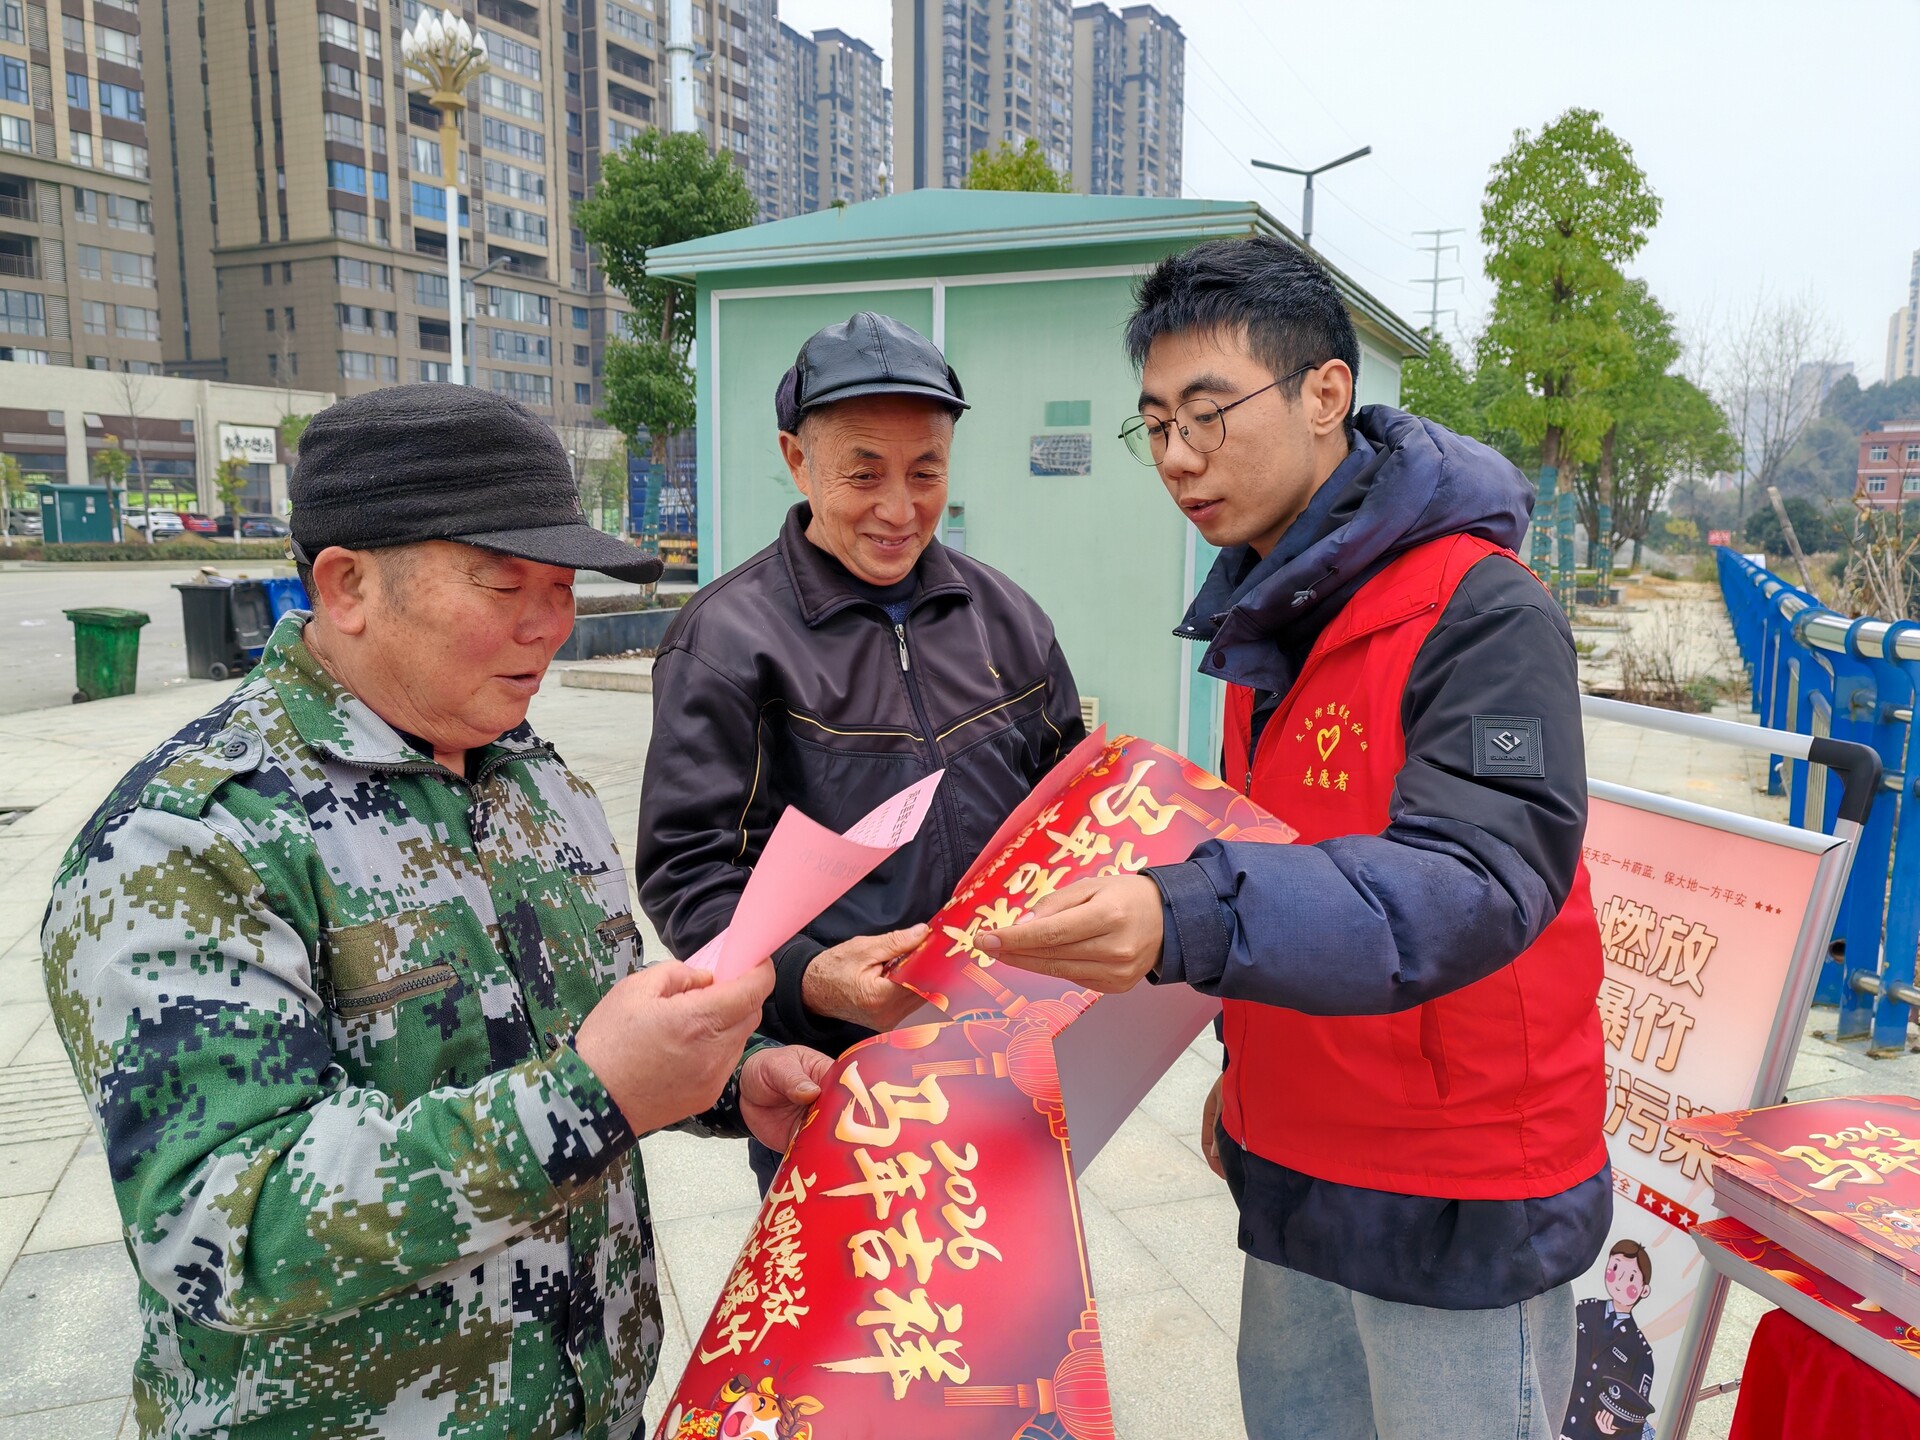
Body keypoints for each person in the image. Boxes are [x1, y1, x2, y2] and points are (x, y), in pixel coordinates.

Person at [40, 385, 830, 1440]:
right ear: (348, 585)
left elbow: (590, 1023)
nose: (549, 627)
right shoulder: (192, 839)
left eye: (564, 588)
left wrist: (732, 1077)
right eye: (504, 584)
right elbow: (223, 1227)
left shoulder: (531, 778)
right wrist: (588, 1097)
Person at [977, 236, 1609, 1440]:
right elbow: (1288, 850)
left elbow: (1478, 876)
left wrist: (1186, 913)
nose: (1177, 456)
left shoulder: (1484, 611)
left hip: (1455, 1184)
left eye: (1208, 414)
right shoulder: (1272, 612)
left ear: (1326, 393)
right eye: (1155, 424)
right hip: (1294, 1151)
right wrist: (1245, 1071)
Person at [635, 311, 1086, 1192]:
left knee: (1014, 1268)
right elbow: (690, 873)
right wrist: (808, 978)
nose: (900, 509)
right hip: (838, 1077)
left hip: (1007, 1054)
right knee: (862, 1279)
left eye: (927, 472)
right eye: (864, 473)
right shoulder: (725, 642)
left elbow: (1069, 802)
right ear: (797, 460)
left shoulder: (1005, 615)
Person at [1564, 1241, 1656, 1440]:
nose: (1620, 1280)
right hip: (1554, 1422)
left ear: (1644, 1291)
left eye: (1631, 1277)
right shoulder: (1584, 1311)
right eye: (1615, 1268)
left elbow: (1636, 1418)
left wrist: (1613, 1432)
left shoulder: (1641, 1353)